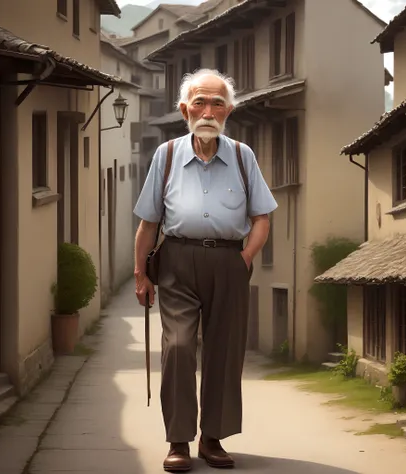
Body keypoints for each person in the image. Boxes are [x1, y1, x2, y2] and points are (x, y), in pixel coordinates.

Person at [133, 68, 278, 472]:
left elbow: (262, 217)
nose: (208, 110)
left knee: (224, 351)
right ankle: (178, 441)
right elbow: (148, 222)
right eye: (200, 101)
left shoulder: (243, 156)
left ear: (229, 110)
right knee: (178, 348)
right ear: (185, 109)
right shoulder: (165, 156)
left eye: (217, 103)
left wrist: (245, 257)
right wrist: (140, 275)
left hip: (229, 261)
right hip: (177, 261)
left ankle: (211, 439)